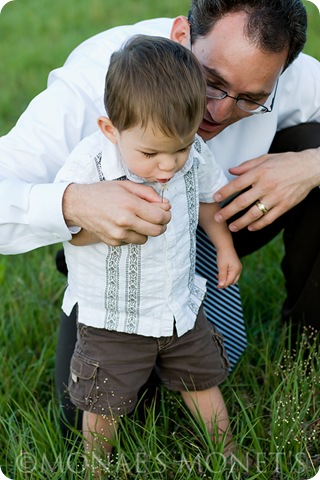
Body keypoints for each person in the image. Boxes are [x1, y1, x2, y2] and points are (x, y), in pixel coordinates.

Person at [0, 0, 319, 429]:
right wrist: (75, 203)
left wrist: (310, 165)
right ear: (182, 36)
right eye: (212, 83)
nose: (218, 112)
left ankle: (309, 349)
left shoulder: (289, 75)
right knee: (86, 418)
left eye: (249, 99)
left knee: (313, 144)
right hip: (119, 253)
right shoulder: (92, 85)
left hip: (226, 213)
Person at [54, 34, 241, 472]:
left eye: (179, 148)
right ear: (110, 130)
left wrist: (226, 246)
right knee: (103, 401)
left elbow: (210, 203)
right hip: (113, 317)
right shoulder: (91, 166)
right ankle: (97, 466)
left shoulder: (191, 153)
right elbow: (69, 230)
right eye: (151, 153)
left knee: (203, 379)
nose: (167, 166)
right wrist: (103, 229)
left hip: (178, 305)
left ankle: (227, 452)